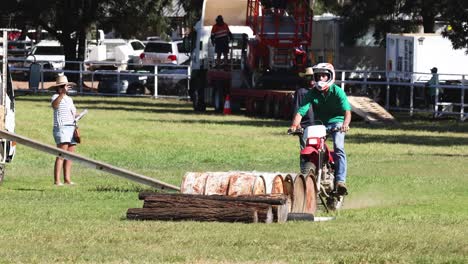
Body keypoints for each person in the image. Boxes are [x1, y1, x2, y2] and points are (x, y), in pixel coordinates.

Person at [289, 63, 352, 195]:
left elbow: (347, 112)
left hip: (337, 123)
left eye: (324, 75)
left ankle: (341, 181)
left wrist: (345, 124)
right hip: (320, 124)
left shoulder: (338, 91)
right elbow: (301, 111)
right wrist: (295, 125)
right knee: (311, 145)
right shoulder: (312, 93)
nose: (321, 78)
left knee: (338, 147)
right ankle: (310, 173)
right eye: (318, 76)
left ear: (330, 76)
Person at [51, 74, 79, 186]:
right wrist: (61, 94)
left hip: (71, 127)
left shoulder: (70, 99)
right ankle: (57, 180)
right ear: (58, 88)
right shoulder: (55, 97)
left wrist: (77, 117)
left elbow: (72, 113)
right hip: (61, 127)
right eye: (61, 86)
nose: (64, 88)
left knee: (70, 155)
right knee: (61, 154)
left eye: (65, 86)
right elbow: (54, 105)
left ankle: (67, 179)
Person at [294, 67, 315, 171]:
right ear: (305, 78)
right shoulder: (300, 92)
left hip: (317, 125)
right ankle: (304, 171)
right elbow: (297, 109)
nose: (311, 79)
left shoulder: (317, 91)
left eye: (313, 77)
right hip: (304, 125)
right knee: (304, 150)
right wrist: (297, 125)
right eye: (309, 77)